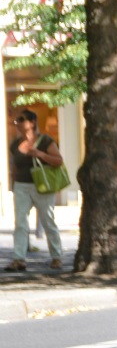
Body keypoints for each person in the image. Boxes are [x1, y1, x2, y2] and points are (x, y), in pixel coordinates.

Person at [6, 109, 65, 272]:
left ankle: (56, 257)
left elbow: (58, 161)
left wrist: (39, 154)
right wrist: (13, 183)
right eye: (17, 120)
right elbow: (15, 166)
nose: (18, 123)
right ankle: (19, 259)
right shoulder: (15, 144)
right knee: (20, 223)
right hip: (21, 186)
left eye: (22, 120)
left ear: (32, 123)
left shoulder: (46, 141)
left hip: (43, 186)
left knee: (48, 221)